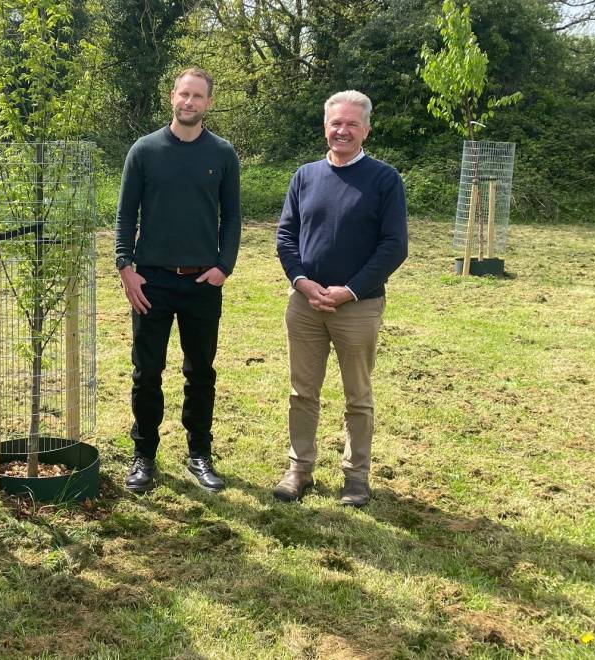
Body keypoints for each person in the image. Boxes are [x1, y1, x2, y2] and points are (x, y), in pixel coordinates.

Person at [273, 90, 408, 508]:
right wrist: (301, 281)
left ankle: (356, 477)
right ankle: (299, 469)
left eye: (351, 123)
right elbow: (286, 235)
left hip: (358, 307)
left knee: (358, 396)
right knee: (302, 392)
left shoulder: (385, 179)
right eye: (336, 123)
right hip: (306, 305)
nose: (342, 130)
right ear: (325, 126)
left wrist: (350, 290)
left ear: (366, 128)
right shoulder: (305, 176)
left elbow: (393, 246)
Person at [114, 68, 242, 494]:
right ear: (172, 97)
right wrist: (125, 267)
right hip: (150, 282)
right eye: (184, 94)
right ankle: (144, 457)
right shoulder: (144, 150)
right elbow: (125, 214)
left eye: (198, 96)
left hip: (202, 283)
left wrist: (224, 266)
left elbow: (233, 216)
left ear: (208, 102)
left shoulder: (222, 154)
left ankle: (199, 454)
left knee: (201, 372)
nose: (189, 102)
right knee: (146, 372)